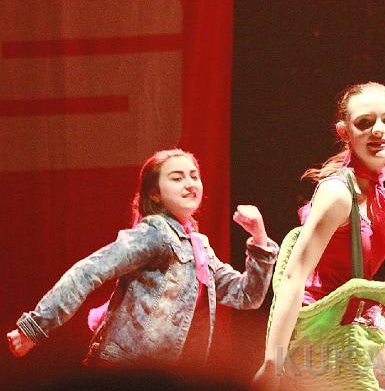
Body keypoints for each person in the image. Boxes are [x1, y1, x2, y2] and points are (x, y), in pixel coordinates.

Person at [253, 82, 385, 390]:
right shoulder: (338, 193)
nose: (378, 130)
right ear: (345, 132)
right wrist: (273, 362)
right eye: (365, 122)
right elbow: (294, 275)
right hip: (318, 338)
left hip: (351, 341)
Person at [6, 148, 279, 368]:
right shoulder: (155, 233)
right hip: (126, 370)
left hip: (166, 375)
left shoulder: (198, 246)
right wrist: (34, 328)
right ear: (155, 194)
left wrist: (259, 237)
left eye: (194, 176)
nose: (189, 184)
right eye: (177, 178)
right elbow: (87, 272)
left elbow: (247, 296)